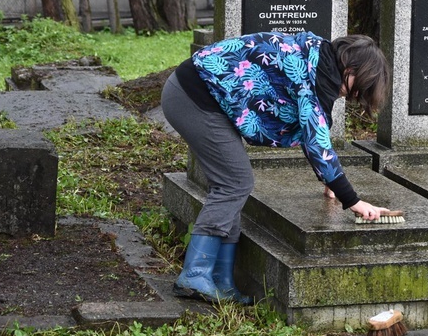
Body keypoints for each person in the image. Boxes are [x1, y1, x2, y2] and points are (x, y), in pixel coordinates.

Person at [161, 30, 391, 305]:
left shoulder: (318, 59)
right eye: (359, 88)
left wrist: (329, 179)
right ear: (350, 69)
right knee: (235, 182)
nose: (351, 97)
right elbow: (316, 140)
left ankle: (221, 279)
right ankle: (195, 273)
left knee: (231, 183)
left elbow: (312, 133)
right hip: (194, 96)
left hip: (200, 94)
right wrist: (352, 200)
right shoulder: (316, 79)